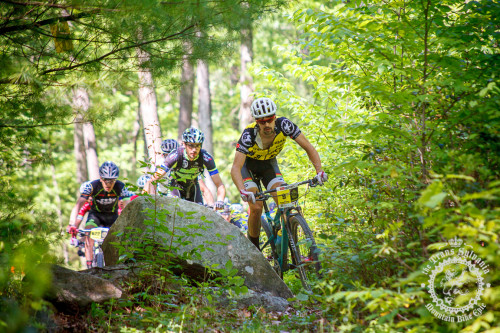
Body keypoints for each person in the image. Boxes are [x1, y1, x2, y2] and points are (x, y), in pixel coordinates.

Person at [230, 97, 328, 249]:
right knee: (256, 206)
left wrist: (319, 171)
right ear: (256, 121)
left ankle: (291, 248)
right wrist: (242, 190)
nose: (267, 124)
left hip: (269, 165)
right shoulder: (248, 134)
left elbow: (308, 147)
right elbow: (236, 167)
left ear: (275, 117)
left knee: (285, 200)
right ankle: (254, 249)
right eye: (262, 122)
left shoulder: (284, 125)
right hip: (248, 167)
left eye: (270, 119)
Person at [144, 127, 226, 209]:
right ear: (184, 144)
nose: (194, 150)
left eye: (197, 146)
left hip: (193, 186)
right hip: (176, 186)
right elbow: (152, 180)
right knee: (175, 210)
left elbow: (219, 184)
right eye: (191, 145)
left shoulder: (205, 157)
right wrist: (152, 203)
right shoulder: (175, 155)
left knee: (201, 212)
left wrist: (220, 201)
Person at [67, 161, 126, 268]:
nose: (108, 184)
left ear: (115, 180)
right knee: (89, 233)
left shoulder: (121, 186)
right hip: (96, 216)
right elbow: (78, 205)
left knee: (117, 241)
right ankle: (89, 267)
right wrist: (72, 224)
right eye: (105, 181)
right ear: (100, 178)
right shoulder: (92, 186)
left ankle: (115, 265)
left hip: (112, 217)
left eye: (111, 181)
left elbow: (127, 206)